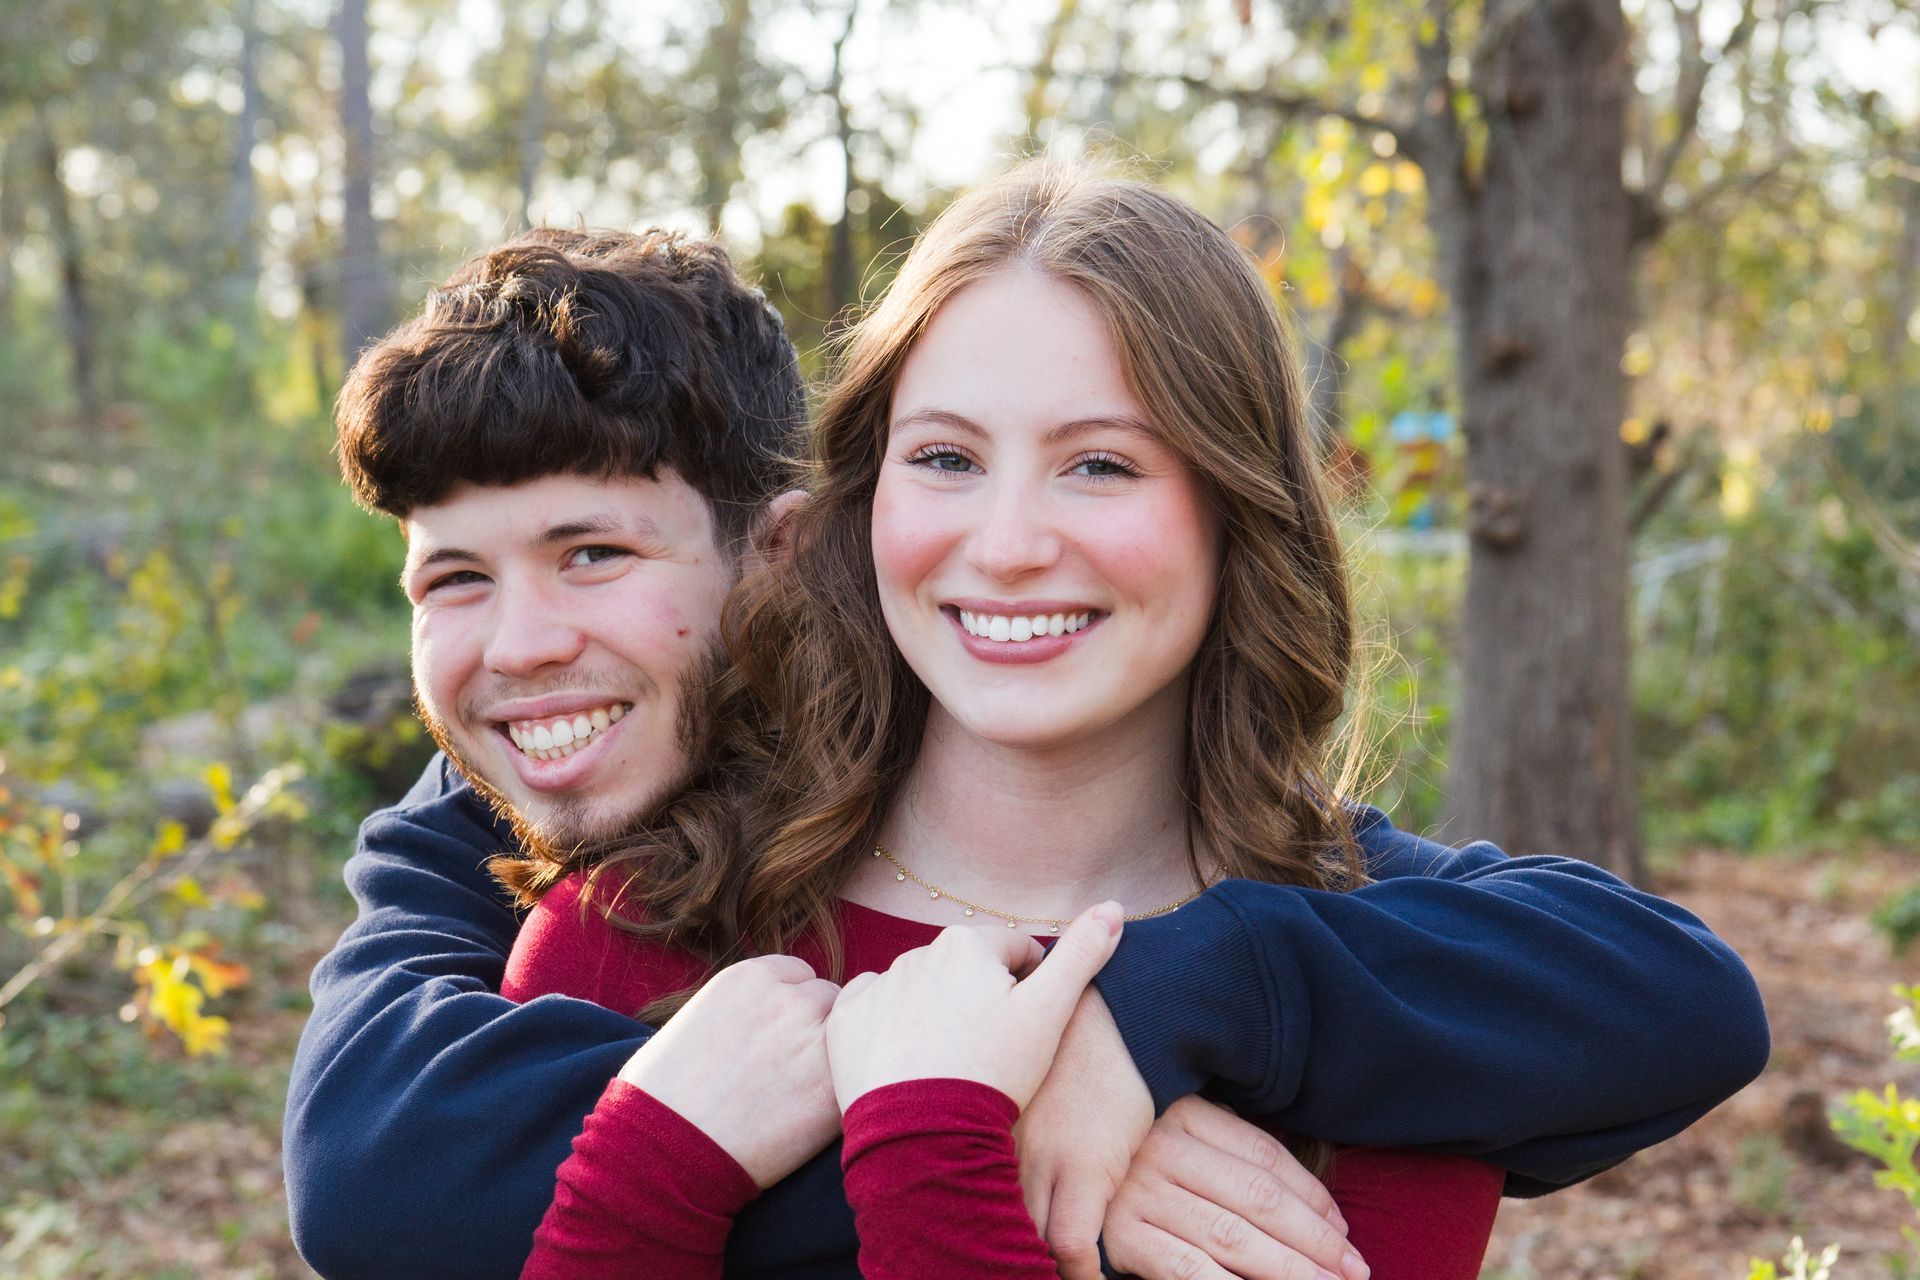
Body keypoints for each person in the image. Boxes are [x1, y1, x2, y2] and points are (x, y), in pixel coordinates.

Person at [287, 213, 1770, 1280]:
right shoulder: (642, 938)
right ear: (853, 519)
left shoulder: (1366, 1004)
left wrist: (1124, 1030)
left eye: (1102, 462)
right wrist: (941, 1145)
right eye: (944, 458)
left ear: (1237, 516)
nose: (1006, 544)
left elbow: (1690, 1000)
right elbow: (373, 1177)